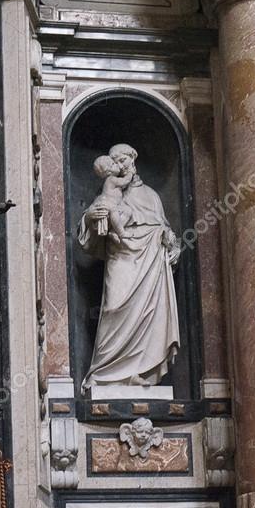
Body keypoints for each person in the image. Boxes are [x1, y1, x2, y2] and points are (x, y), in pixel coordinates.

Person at [79, 143, 180, 388]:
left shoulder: (151, 196)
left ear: (133, 160)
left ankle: (140, 372)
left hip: (149, 264)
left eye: (123, 159)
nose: (120, 165)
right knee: (114, 307)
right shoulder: (108, 190)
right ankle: (104, 372)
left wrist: (171, 242)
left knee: (149, 317)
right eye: (115, 161)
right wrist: (92, 217)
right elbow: (90, 232)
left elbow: (163, 228)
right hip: (121, 260)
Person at [89, 154, 133, 244]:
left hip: (114, 204)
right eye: (114, 164)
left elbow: (123, 186)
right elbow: (125, 181)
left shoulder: (112, 180)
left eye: (122, 161)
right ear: (108, 172)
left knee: (128, 211)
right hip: (108, 203)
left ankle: (114, 232)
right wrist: (130, 173)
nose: (118, 165)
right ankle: (121, 232)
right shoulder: (111, 179)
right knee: (114, 212)